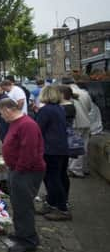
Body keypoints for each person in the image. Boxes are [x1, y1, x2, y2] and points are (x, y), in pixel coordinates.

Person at [0, 98, 46, 252]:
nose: (1, 117)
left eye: (1, 113)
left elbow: (29, 151)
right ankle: (21, 234)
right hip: (17, 170)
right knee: (18, 204)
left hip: (26, 172)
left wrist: (19, 170)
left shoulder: (27, 125)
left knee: (24, 205)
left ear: (8, 110)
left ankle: (29, 241)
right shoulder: (17, 123)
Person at [35, 86, 71, 221]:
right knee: (60, 177)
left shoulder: (45, 111)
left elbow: (38, 129)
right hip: (61, 147)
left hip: (50, 149)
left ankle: (62, 208)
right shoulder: (59, 109)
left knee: (52, 179)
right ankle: (54, 203)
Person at [62, 77, 93, 178]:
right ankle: (84, 168)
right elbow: (90, 108)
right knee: (84, 146)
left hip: (75, 123)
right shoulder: (85, 93)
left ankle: (76, 169)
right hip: (86, 122)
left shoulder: (66, 93)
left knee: (74, 146)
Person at [57, 85, 77, 205]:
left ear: (62, 95)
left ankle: (63, 199)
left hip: (62, 141)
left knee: (61, 173)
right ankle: (63, 198)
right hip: (63, 141)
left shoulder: (66, 108)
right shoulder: (67, 106)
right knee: (62, 172)